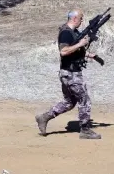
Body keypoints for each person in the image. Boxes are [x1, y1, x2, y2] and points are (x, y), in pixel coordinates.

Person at [35, 9, 103, 140]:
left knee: (70, 102)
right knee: (84, 99)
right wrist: (80, 44)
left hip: (69, 73)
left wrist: (90, 55)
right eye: (81, 18)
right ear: (74, 18)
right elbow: (64, 52)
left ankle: (44, 117)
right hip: (70, 74)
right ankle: (85, 130)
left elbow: (76, 50)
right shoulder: (66, 33)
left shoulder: (73, 32)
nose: (82, 21)